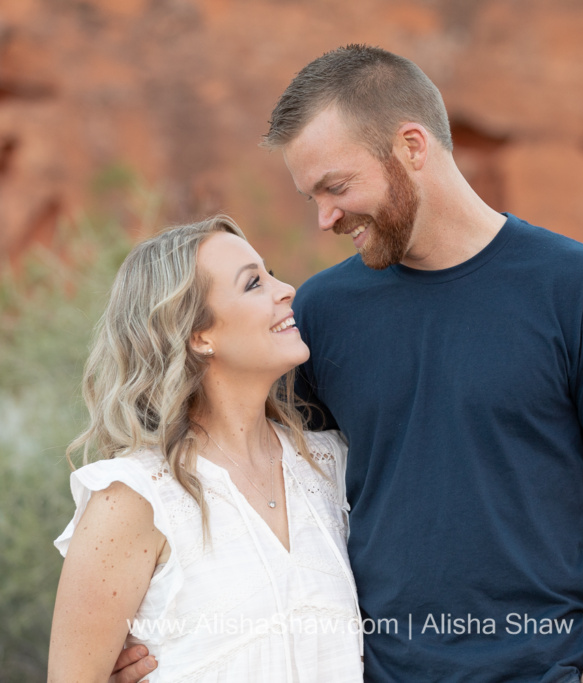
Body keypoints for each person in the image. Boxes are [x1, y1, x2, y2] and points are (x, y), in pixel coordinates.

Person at [116, 44, 583, 683]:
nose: (327, 217)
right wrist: (147, 632)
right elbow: (246, 477)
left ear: (412, 147)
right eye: (313, 199)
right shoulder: (322, 313)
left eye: (337, 186)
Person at [48, 216, 364, 682]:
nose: (286, 290)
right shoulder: (136, 498)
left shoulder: (330, 464)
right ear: (199, 335)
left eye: (271, 273)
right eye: (254, 283)